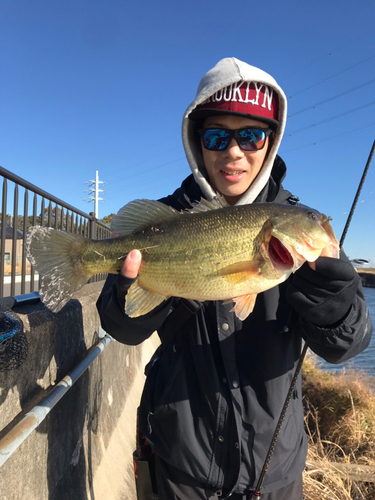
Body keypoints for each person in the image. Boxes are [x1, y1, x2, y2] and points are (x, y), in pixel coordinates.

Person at [97, 57, 373, 500]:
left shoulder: (298, 229)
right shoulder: (168, 218)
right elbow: (122, 327)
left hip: (275, 468)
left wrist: (333, 301)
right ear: (196, 142)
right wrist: (142, 288)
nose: (233, 151)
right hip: (180, 462)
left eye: (250, 135)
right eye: (216, 136)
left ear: (271, 140)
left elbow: (346, 346)